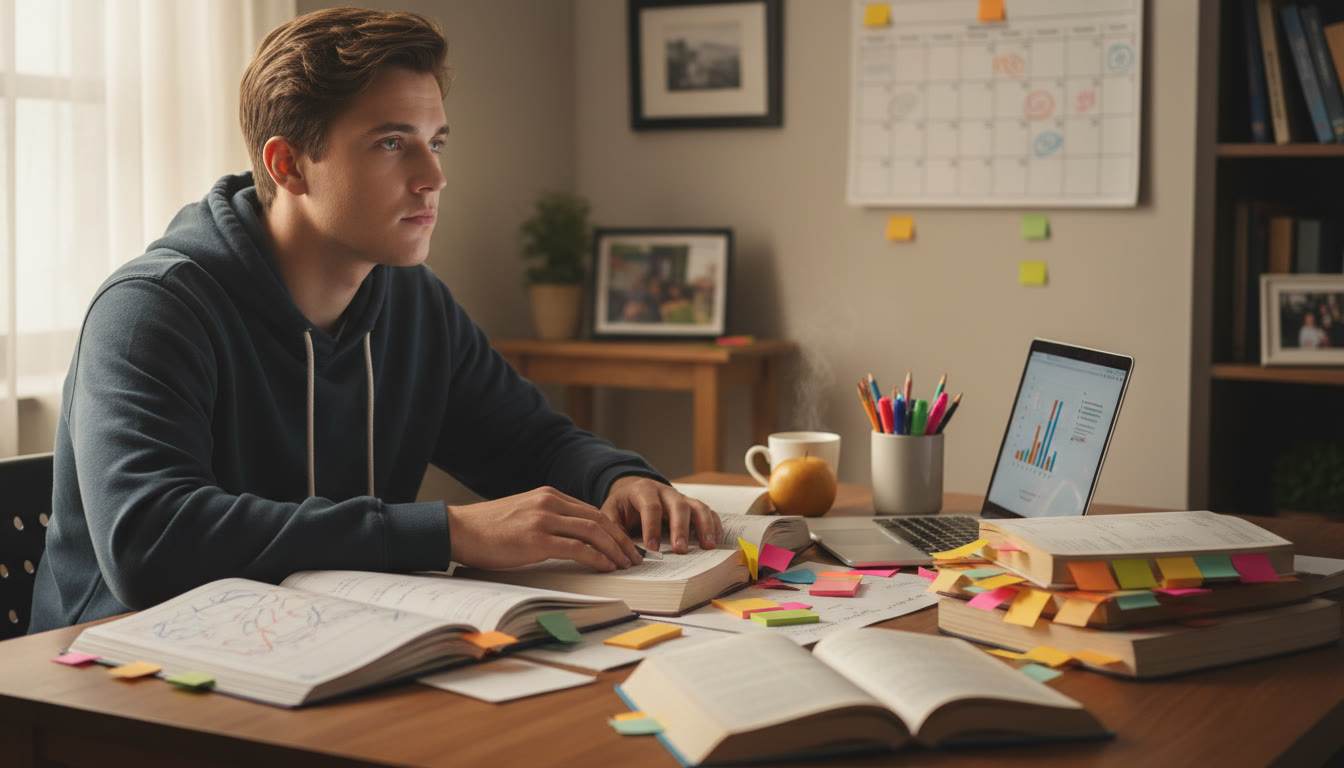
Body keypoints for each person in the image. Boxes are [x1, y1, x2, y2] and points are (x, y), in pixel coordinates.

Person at [29, 8, 720, 632]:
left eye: (436, 142)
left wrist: (618, 481)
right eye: (393, 143)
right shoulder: (152, 310)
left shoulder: (414, 302)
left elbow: (532, 442)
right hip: (118, 680)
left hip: (318, 646)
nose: (433, 177)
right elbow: (151, 540)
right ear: (289, 166)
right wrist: (446, 532)